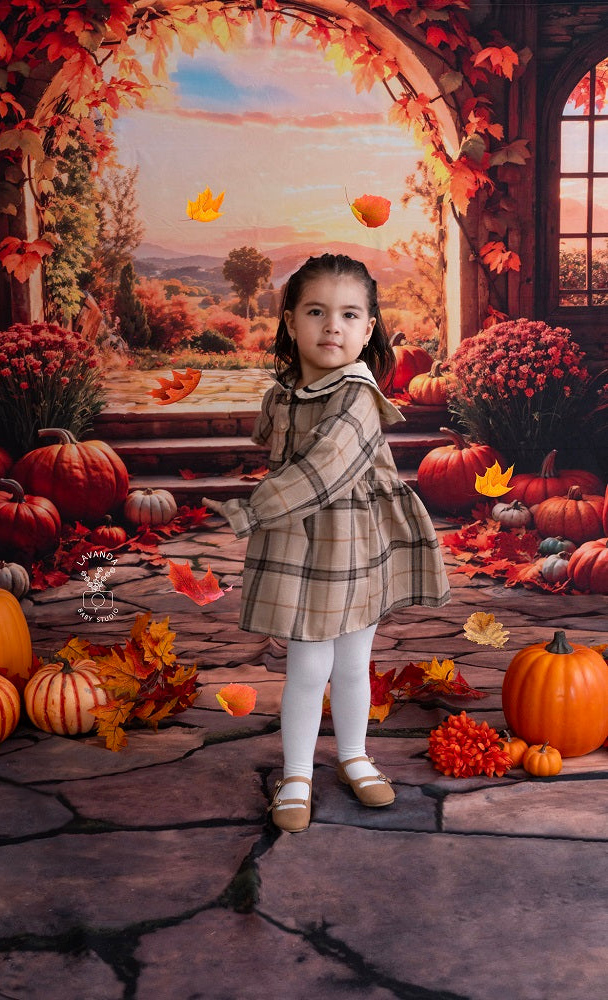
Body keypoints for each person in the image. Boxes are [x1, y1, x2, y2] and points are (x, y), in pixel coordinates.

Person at [203, 253, 450, 833]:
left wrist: (252, 509)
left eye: (348, 314)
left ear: (368, 329)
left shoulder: (358, 396)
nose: (331, 327)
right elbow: (276, 444)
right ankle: (296, 773)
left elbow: (324, 468)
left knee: (352, 661)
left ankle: (353, 756)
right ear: (290, 321)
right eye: (316, 311)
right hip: (300, 542)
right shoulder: (284, 392)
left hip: (353, 543)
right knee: (308, 664)